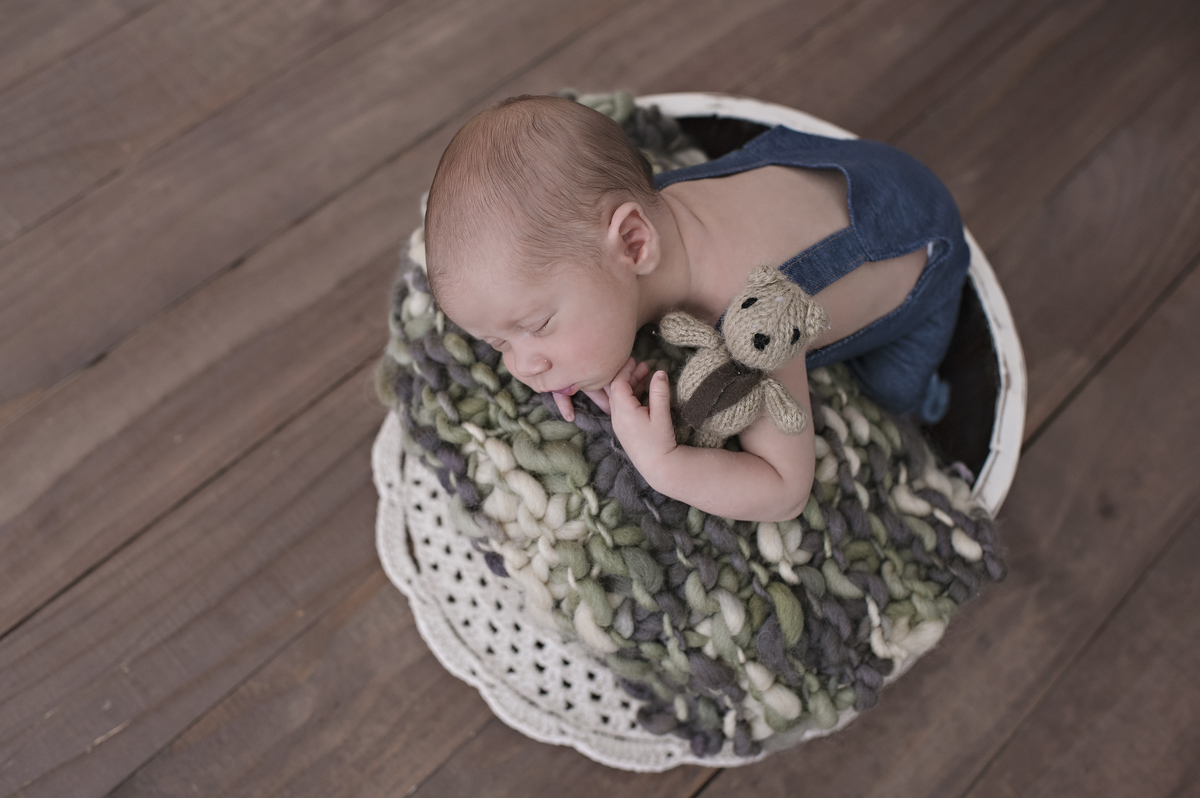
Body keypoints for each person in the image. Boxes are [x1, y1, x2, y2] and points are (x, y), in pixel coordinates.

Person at [425, 95, 968, 523]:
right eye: (498, 343)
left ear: (635, 244)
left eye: (537, 326)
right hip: (862, 167)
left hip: (924, 248)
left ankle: (932, 394)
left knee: (893, 392)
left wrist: (666, 464)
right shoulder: (643, 219)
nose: (521, 365)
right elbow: (597, 288)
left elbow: (784, 490)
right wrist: (588, 354)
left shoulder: (755, 314)